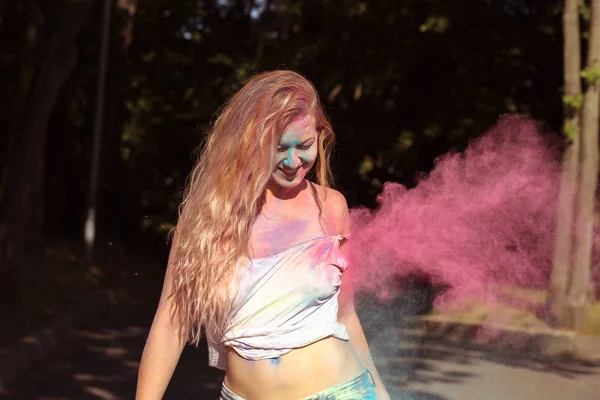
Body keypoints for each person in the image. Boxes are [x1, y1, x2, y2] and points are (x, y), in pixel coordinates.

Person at [136, 70, 391, 400]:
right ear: (250, 140)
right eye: (279, 147)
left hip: (343, 391)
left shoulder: (331, 207)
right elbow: (170, 325)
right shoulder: (209, 217)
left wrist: (382, 392)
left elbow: (345, 316)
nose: (292, 160)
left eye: (304, 145)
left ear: (321, 136)